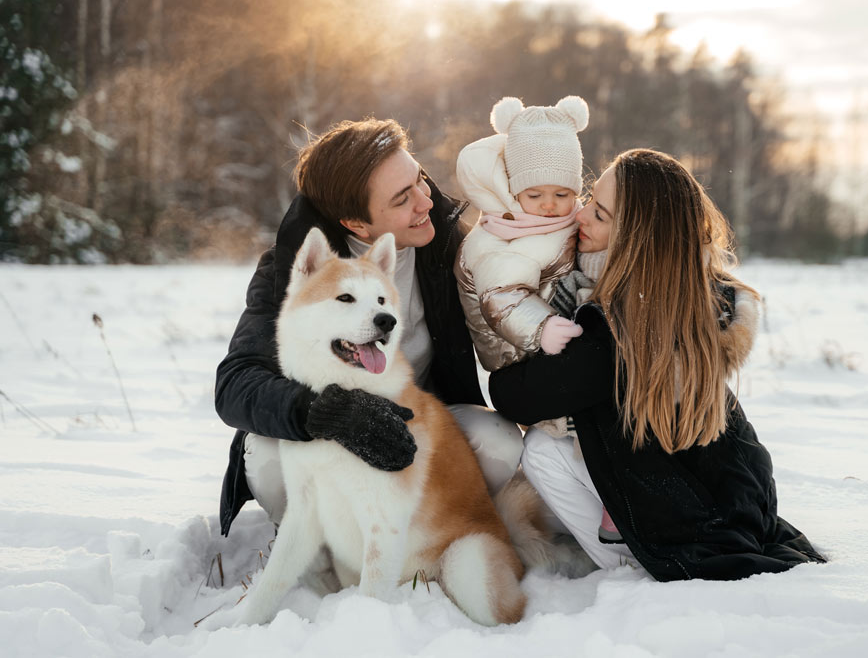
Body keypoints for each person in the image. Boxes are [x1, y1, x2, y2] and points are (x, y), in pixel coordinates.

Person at [489, 149, 826, 580]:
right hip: (737, 502)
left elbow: (512, 395)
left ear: (635, 239)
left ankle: (629, 564)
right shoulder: (687, 297)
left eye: (601, 214)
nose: (581, 216)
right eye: (591, 199)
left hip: (689, 529)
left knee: (541, 449)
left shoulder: (617, 330)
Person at [215, 119, 523, 537]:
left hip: (416, 424)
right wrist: (325, 413)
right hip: (329, 435)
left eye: (420, 181)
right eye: (403, 199)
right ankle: (314, 543)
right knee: (265, 452)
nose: (426, 202)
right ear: (357, 226)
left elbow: (522, 293)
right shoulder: (296, 271)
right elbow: (236, 383)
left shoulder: (447, 246)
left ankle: (423, 532)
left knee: (499, 439)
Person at [453, 95, 590, 372]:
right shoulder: (500, 237)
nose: (549, 204)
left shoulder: (575, 218)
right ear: (514, 192)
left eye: (562, 193)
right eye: (535, 194)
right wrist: (542, 327)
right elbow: (500, 294)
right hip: (519, 356)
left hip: (566, 345)